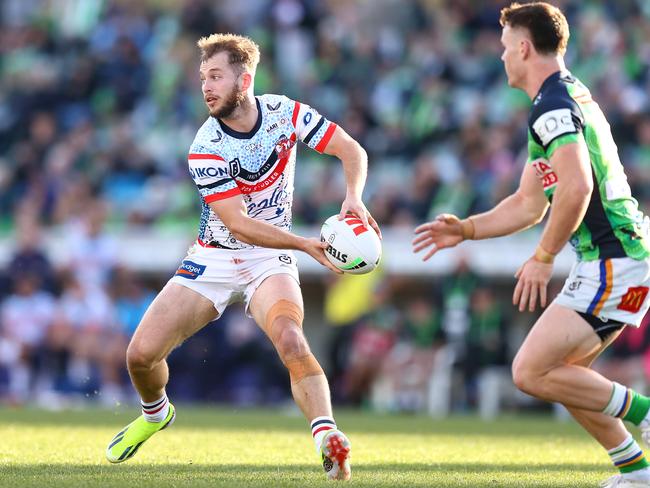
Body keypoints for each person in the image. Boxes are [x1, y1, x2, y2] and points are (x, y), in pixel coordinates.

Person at [105, 33, 380, 481]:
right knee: (139, 355)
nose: (206, 87)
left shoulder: (285, 114)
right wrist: (305, 244)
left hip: (267, 260)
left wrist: (353, 196)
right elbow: (237, 224)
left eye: (216, 76)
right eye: (202, 78)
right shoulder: (205, 145)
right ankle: (156, 415)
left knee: (291, 339)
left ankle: (327, 438)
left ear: (244, 79)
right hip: (215, 257)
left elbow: (351, 149)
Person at [413, 3, 650, 487]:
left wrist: (543, 258)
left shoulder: (553, 106)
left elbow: (577, 187)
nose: (501, 58)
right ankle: (636, 471)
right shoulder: (563, 98)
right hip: (620, 258)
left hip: (614, 260)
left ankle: (645, 415)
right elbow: (528, 202)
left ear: (523, 47)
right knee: (564, 376)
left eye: (504, 48)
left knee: (530, 371)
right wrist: (468, 229)